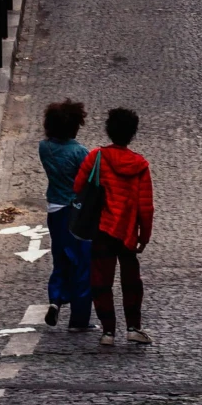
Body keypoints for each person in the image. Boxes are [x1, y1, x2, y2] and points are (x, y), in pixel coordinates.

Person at [77, 106, 153, 347]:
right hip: (128, 231)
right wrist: (144, 235)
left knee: (101, 281)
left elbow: (79, 186)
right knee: (131, 281)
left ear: (109, 130)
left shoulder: (96, 157)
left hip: (102, 228)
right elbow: (145, 206)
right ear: (132, 133)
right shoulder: (140, 165)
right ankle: (133, 327)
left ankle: (108, 331)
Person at [38, 99, 93, 330]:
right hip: (75, 213)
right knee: (82, 263)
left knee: (60, 258)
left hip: (54, 210)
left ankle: (56, 299)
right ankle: (79, 319)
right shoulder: (80, 152)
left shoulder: (45, 148)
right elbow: (90, 181)